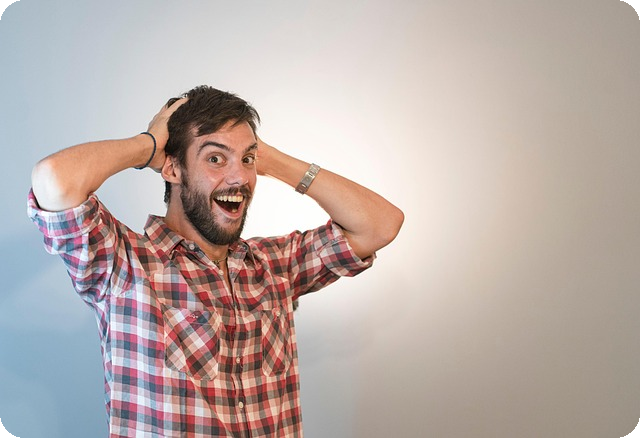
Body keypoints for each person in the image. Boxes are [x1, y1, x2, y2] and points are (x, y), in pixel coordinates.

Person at [28, 85, 404, 437]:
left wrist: (270, 161)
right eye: (215, 159)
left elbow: (379, 225)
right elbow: (54, 180)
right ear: (173, 169)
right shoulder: (124, 264)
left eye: (247, 160)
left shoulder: (276, 265)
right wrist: (149, 145)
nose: (239, 177)